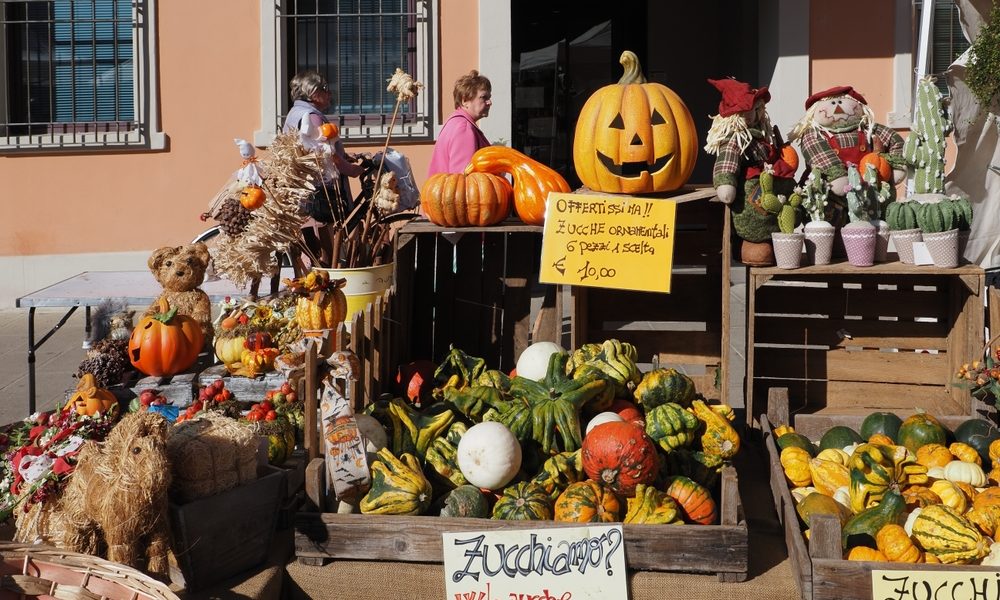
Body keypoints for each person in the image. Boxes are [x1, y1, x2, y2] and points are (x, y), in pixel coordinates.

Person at [282, 70, 366, 266]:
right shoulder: (312, 116)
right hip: (321, 193)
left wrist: (346, 156)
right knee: (327, 250)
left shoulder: (295, 113)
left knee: (315, 249)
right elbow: (326, 156)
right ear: (312, 93)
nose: (330, 94)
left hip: (305, 189)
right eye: (326, 89)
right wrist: (351, 170)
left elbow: (309, 149)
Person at [427, 70, 492, 177]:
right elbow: (463, 179)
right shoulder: (464, 128)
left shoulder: (455, 122)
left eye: (489, 97)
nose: (489, 102)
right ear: (465, 100)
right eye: (484, 97)